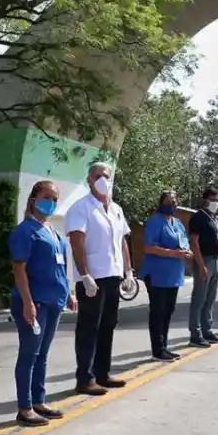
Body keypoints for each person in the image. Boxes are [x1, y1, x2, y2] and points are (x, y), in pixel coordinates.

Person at [9, 180, 77, 426]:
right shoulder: (25, 231)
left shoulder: (53, 232)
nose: (50, 202)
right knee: (29, 353)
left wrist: (68, 293)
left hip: (54, 301)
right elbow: (19, 270)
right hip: (34, 301)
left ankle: (38, 400)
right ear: (33, 199)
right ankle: (24, 407)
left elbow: (60, 267)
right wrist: (27, 302)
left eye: (54, 198)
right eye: (46, 197)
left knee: (42, 354)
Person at [64, 162, 136, 396]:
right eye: (98, 176)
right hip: (93, 278)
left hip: (113, 275)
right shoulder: (81, 207)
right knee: (89, 327)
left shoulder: (115, 208)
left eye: (106, 175)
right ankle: (84, 378)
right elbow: (77, 242)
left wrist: (128, 271)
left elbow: (123, 241)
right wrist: (84, 275)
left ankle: (102, 373)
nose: (103, 179)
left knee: (108, 325)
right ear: (89, 181)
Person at [139, 190, 192, 361]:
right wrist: (173, 254)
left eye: (174, 201)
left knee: (169, 310)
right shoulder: (155, 221)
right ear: (161, 203)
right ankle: (158, 349)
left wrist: (187, 252)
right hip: (157, 274)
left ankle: (165, 347)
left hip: (174, 274)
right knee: (158, 311)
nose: (172, 204)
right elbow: (149, 247)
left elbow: (183, 242)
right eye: (169, 201)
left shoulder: (177, 223)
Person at [188, 187, 218, 347]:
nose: (216, 203)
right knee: (199, 299)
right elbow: (194, 243)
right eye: (213, 199)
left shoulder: (213, 218)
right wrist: (201, 265)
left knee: (210, 299)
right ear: (205, 200)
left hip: (214, 260)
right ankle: (195, 334)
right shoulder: (198, 218)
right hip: (203, 260)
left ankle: (207, 330)